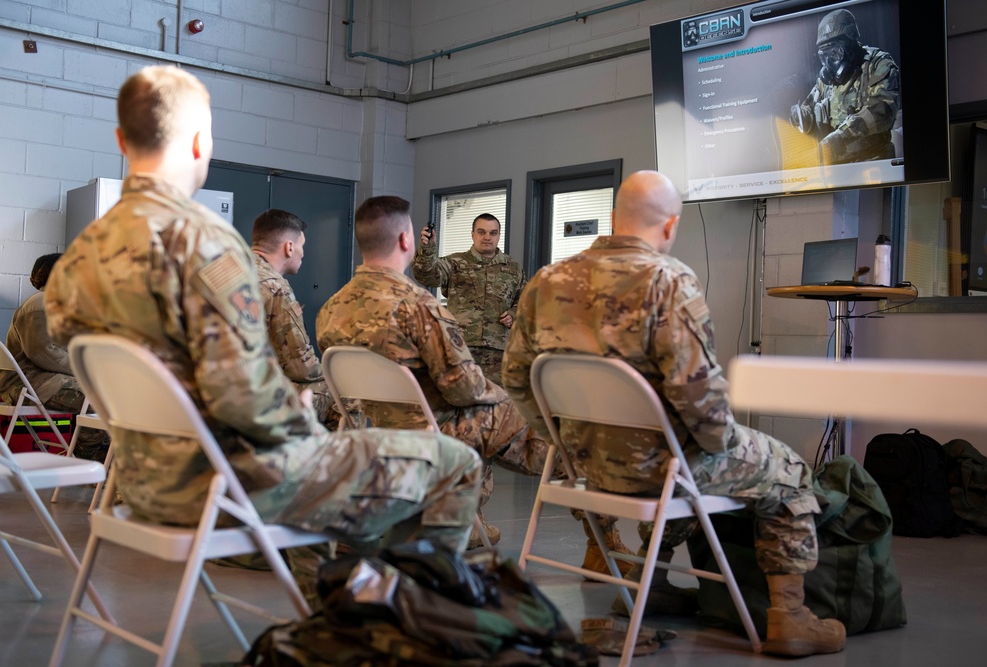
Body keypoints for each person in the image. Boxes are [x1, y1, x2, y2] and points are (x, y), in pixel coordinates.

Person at [44, 66, 481, 584]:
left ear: (121, 140)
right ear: (201, 140)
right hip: (231, 486)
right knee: (454, 462)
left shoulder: (76, 261)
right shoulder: (206, 243)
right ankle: (397, 622)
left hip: (141, 485)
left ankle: (342, 598)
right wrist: (300, 417)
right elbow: (240, 394)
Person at [502, 170, 846, 657]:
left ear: (613, 219)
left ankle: (651, 580)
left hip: (584, 468)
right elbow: (700, 403)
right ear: (670, 226)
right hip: (656, 471)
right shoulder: (668, 281)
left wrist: (563, 441)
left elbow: (516, 377)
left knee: (677, 458)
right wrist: (731, 448)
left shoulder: (545, 281)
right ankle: (790, 618)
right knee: (786, 468)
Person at [317, 197, 632, 565]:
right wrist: (505, 396)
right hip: (445, 427)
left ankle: (373, 531)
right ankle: (602, 548)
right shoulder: (419, 307)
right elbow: (464, 388)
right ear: (406, 240)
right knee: (571, 439)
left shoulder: (331, 308)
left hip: (383, 425)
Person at [0, 254, 108, 461]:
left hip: (38, 379)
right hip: (26, 383)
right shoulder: (40, 304)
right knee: (99, 398)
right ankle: (84, 461)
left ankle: (97, 460)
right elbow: (43, 354)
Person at [250, 209, 357, 430]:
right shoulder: (275, 286)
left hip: (206, 390)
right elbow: (301, 368)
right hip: (251, 398)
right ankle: (328, 461)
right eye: (302, 246)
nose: (303, 254)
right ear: (289, 247)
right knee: (344, 393)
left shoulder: (228, 270)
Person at [411, 213, 525, 386]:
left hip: (498, 352)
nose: (487, 237)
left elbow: (526, 300)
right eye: (481, 232)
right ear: (472, 234)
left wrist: (514, 314)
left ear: (499, 235)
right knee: (459, 400)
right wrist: (428, 249)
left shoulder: (513, 268)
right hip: (460, 349)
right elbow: (427, 276)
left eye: (493, 233)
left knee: (496, 404)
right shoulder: (455, 262)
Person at [789, 8, 899, 165]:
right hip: (834, 168)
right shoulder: (826, 78)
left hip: (873, 163)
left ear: (851, 41)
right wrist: (800, 116)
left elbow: (883, 110)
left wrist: (841, 136)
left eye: (835, 53)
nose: (829, 62)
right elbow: (809, 105)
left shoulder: (877, 64)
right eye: (824, 55)